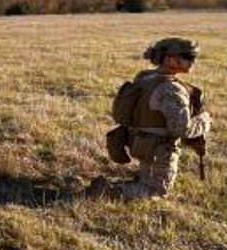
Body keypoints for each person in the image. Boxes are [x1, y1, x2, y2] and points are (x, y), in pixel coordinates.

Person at [88, 37, 212, 200]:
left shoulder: (145, 77)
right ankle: (108, 191)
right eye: (187, 57)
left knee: (147, 180)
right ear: (169, 59)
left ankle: (116, 187)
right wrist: (205, 121)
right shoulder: (171, 89)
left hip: (139, 141)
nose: (192, 62)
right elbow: (181, 128)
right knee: (158, 191)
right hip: (160, 148)